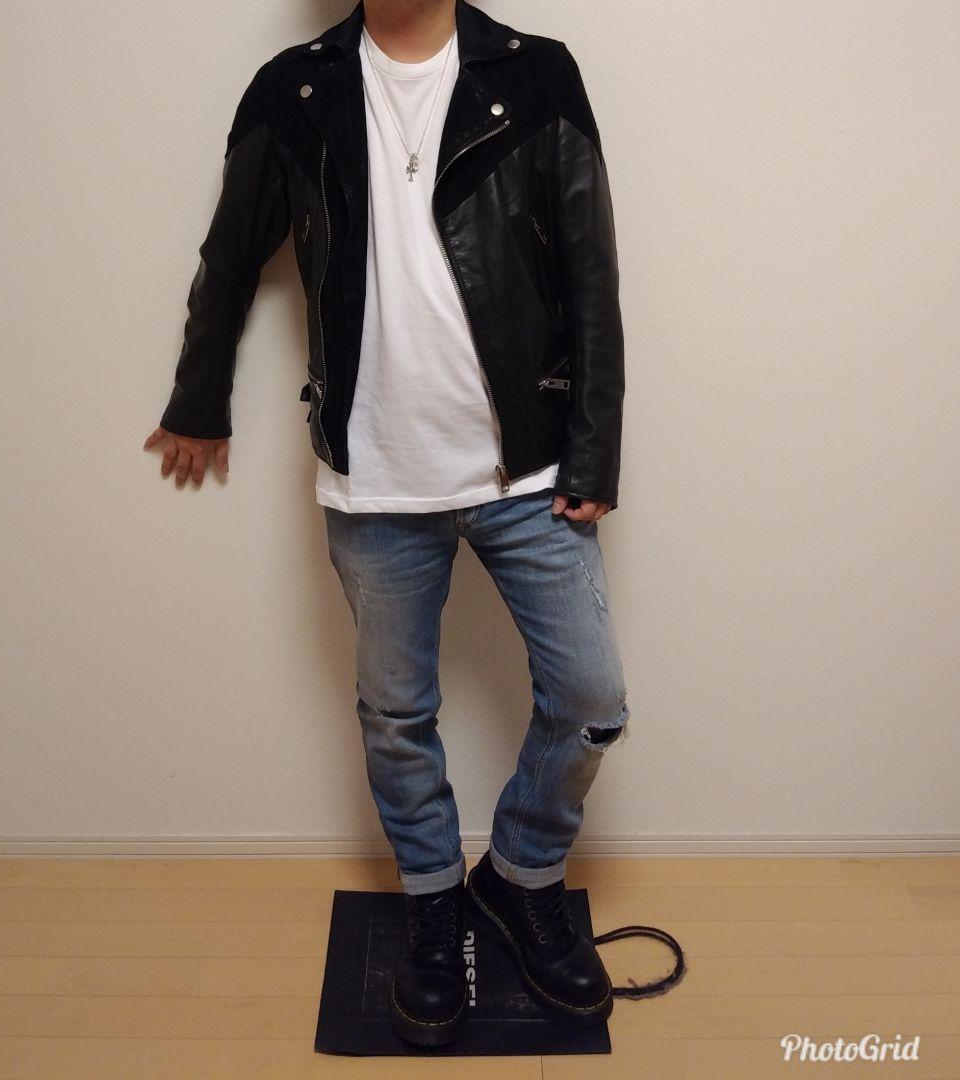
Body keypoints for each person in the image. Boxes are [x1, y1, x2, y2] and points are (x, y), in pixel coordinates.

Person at [143, 0, 628, 1048]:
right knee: (397, 717)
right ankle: (432, 906)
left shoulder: (538, 75)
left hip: (529, 469)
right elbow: (231, 253)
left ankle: (521, 873)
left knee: (592, 699)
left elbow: (591, 272)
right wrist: (197, 399)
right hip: (374, 481)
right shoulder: (294, 89)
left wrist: (596, 449)